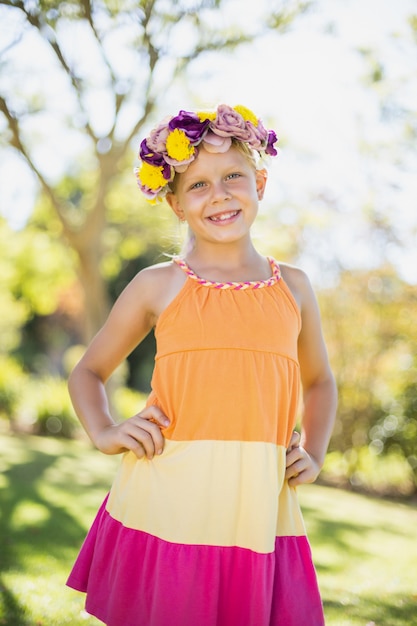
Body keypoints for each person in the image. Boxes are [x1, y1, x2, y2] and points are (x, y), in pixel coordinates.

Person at [66, 103, 337, 626]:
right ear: (175, 204)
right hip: (167, 498)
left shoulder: (295, 287)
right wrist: (104, 431)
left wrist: (318, 450)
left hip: (256, 507)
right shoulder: (158, 284)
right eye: (198, 185)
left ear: (260, 182)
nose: (220, 195)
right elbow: (87, 372)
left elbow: (320, 380)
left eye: (234, 176)